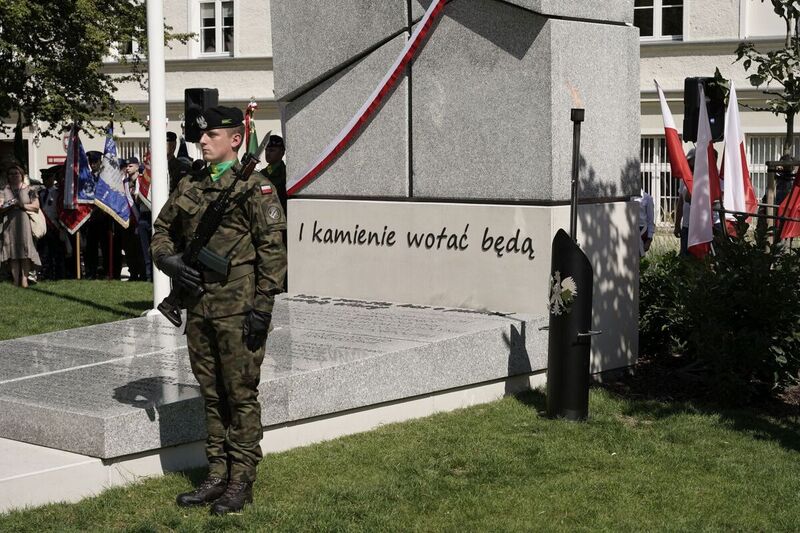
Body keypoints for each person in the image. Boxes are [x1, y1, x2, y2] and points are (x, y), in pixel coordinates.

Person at [151, 106, 287, 515]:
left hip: (239, 309)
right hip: (198, 307)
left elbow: (273, 255)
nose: (202, 141)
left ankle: (241, 480)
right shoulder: (190, 183)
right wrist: (169, 262)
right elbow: (161, 231)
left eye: (211, 135)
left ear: (235, 139)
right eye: (200, 136)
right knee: (212, 395)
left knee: (240, 395)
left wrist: (262, 309)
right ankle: (217, 474)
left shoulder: (255, 188)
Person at [0, 163, 42, 287]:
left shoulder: (30, 190)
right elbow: (0, 207)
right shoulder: (3, 190)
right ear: (8, 176)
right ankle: (15, 280)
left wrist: (22, 205)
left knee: (25, 252)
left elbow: (36, 206)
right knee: (12, 252)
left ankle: (24, 280)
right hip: (9, 222)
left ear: (21, 175)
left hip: (24, 222)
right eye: (11, 174)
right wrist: (10, 204)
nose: (14, 176)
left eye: (16, 173)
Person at [36, 166, 66, 280]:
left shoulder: (58, 192)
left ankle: (58, 275)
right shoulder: (41, 193)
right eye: (43, 178)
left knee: (57, 252)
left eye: (47, 178)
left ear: (52, 179)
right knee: (45, 252)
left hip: (55, 226)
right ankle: (46, 274)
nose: (45, 181)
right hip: (44, 226)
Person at [673, 149, 694, 256]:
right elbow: (681, 201)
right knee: (685, 257)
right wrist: (677, 224)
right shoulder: (684, 178)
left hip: (698, 226)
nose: (688, 163)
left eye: (690, 161)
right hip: (686, 225)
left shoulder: (703, 177)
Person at [260, 135, 287, 214]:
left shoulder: (285, 174)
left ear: (282, 152)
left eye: (272, 150)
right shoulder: (262, 173)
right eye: (266, 150)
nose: (268, 153)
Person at [636, 188, 655, 257]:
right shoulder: (627, 197)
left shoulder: (647, 198)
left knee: (639, 257)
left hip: (642, 231)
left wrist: (649, 240)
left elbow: (650, 220)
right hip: (629, 229)